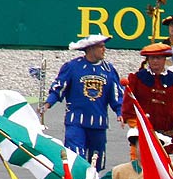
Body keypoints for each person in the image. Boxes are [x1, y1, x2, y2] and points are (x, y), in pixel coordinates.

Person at [48, 34, 124, 165]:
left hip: (98, 124)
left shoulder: (109, 70)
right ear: (90, 49)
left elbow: (117, 93)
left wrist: (120, 111)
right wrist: (48, 102)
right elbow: (59, 87)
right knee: (75, 157)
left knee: (96, 159)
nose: (104, 49)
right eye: (100, 46)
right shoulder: (72, 67)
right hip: (75, 122)